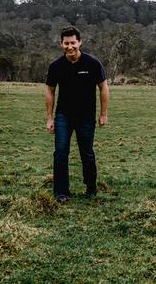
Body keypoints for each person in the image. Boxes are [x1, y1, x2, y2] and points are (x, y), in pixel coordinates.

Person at [45, 26, 109, 203]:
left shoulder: (93, 63)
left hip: (86, 116)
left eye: (73, 42)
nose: (70, 46)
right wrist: (50, 118)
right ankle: (61, 192)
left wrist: (103, 114)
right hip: (63, 116)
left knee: (86, 152)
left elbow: (103, 88)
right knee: (60, 152)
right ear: (61, 44)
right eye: (66, 43)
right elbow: (50, 90)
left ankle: (90, 187)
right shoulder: (56, 66)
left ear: (79, 42)